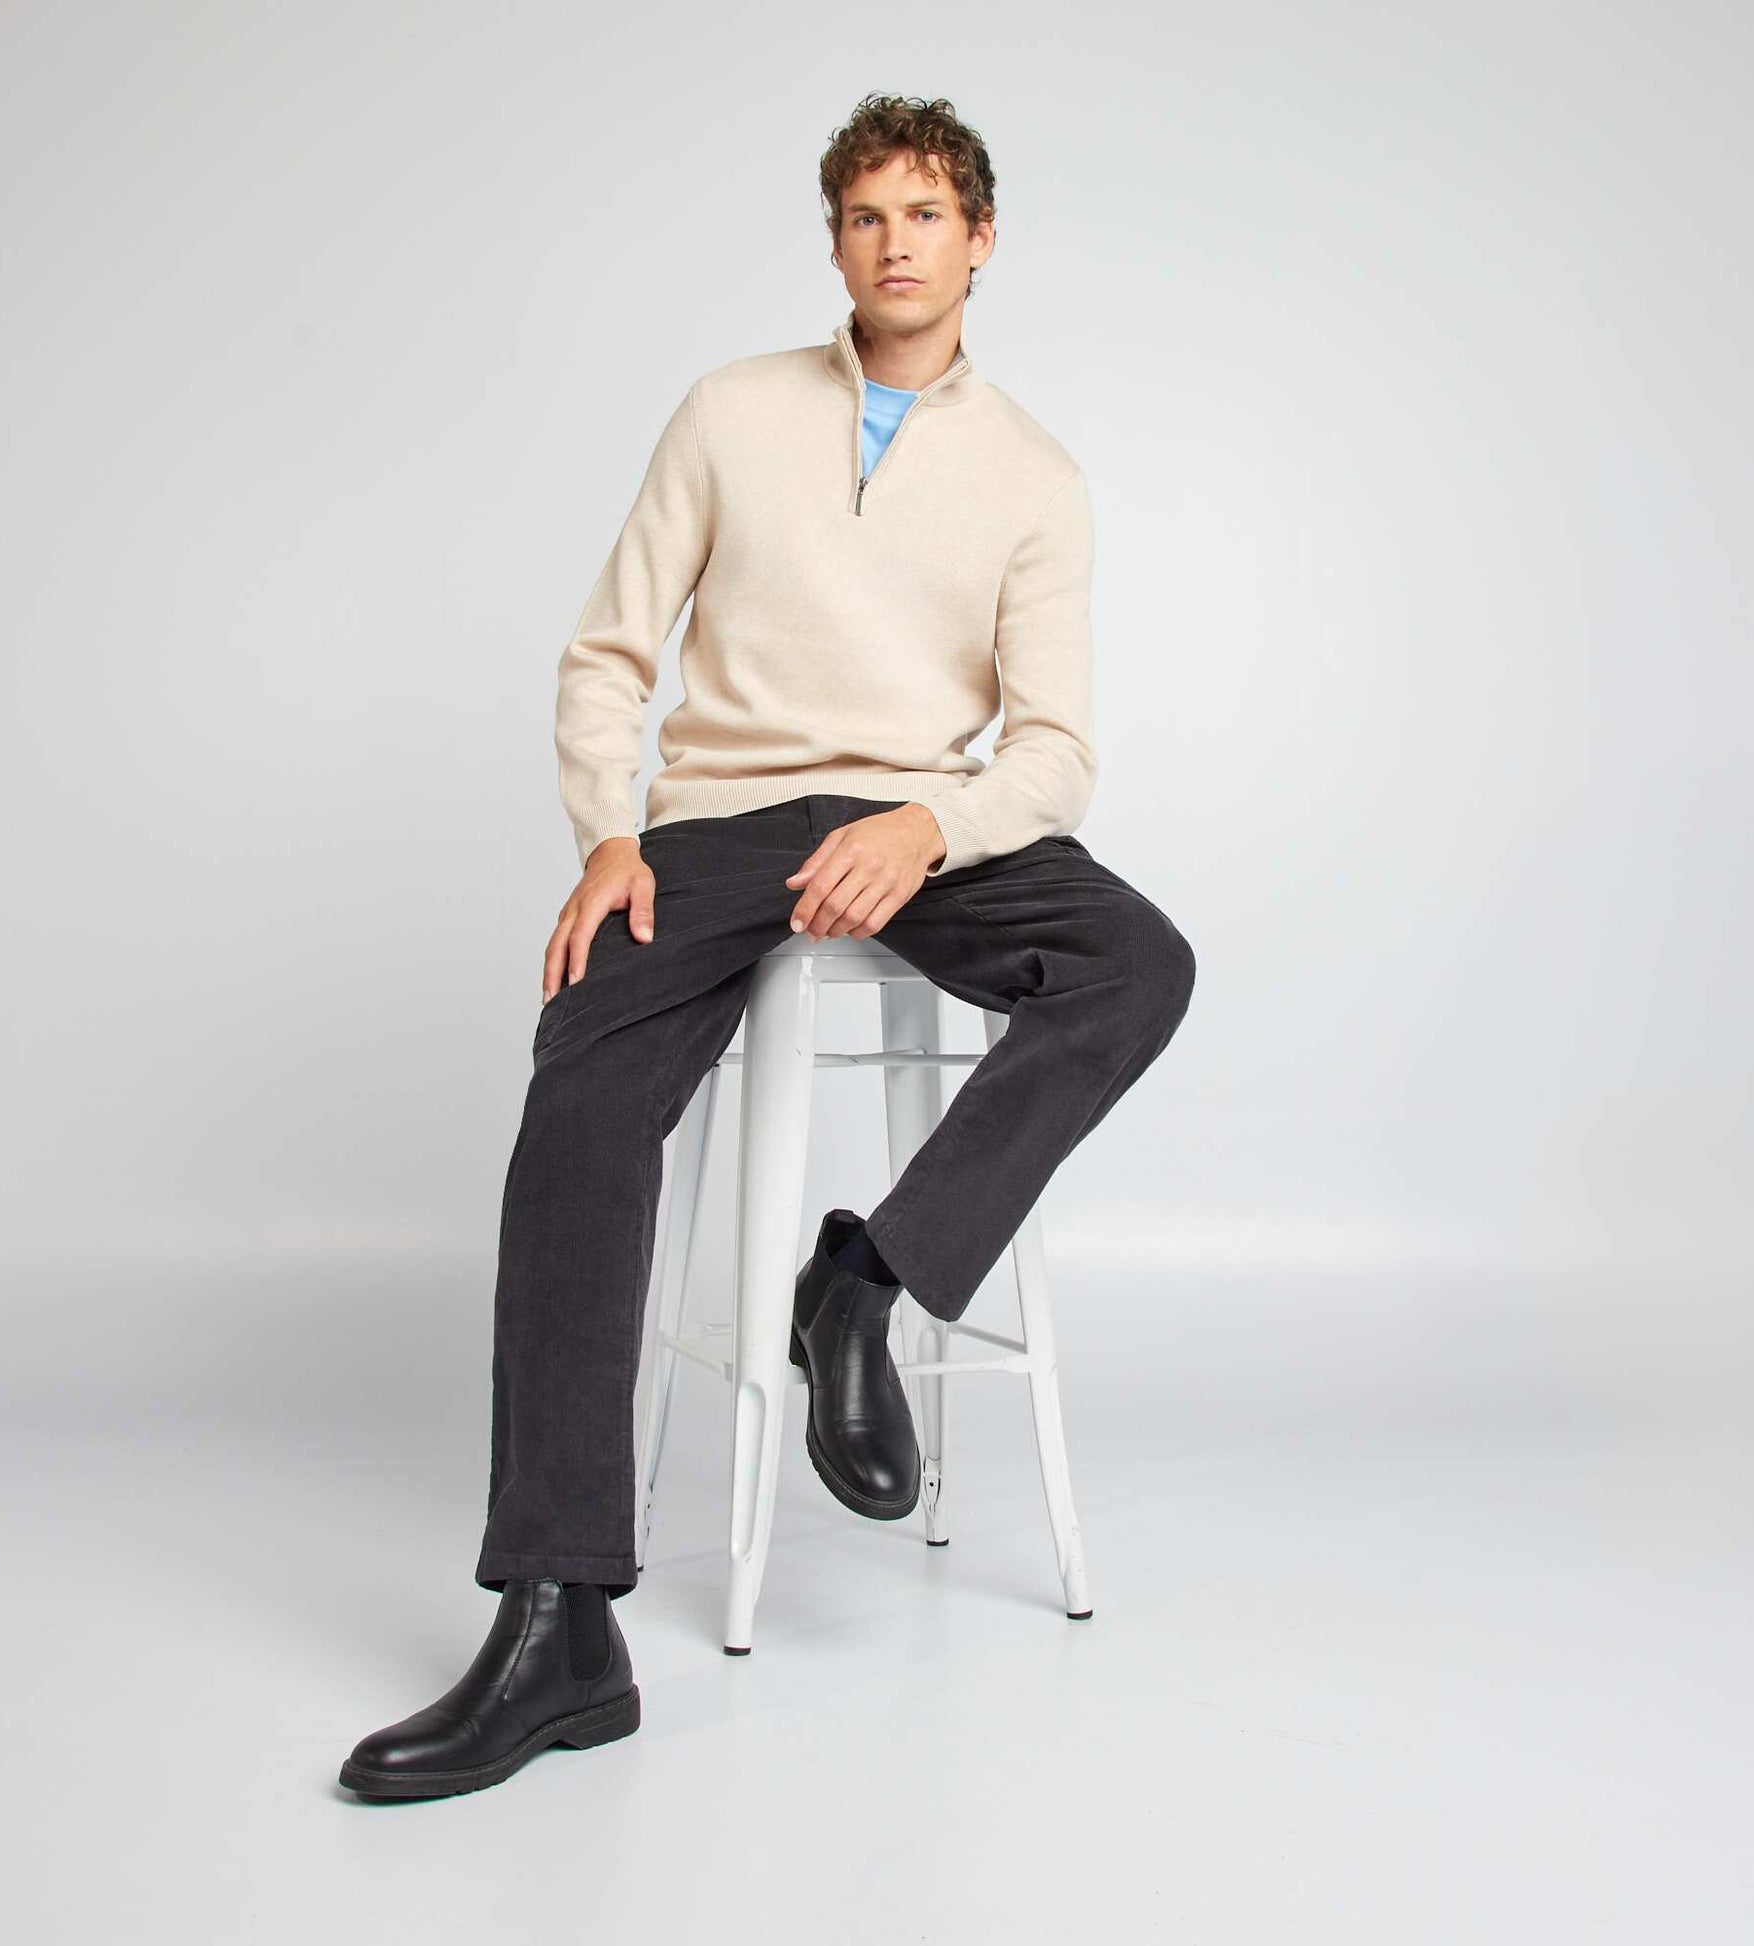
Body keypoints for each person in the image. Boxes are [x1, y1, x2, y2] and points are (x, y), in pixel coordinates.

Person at [338, 92, 1195, 1801]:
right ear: (835, 242)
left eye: (926, 213)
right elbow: (609, 653)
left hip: (912, 831)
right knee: (580, 1092)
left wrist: (925, 827)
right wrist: (605, 831)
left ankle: (861, 1284)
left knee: (1137, 963)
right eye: (866, 214)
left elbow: (1052, 752)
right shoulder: (729, 412)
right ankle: (558, 1622)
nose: (896, 242)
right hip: (719, 823)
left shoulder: (1034, 475)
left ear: (979, 240)